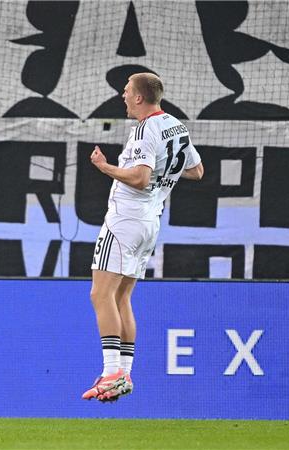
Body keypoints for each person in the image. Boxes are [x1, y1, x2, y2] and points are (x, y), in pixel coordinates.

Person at [82, 72, 204, 401]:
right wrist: (165, 177)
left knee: (100, 294)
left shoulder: (146, 128)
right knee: (121, 298)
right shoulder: (176, 125)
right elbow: (196, 170)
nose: (122, 97)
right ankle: (125, 374)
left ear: (139, 97)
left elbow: (138, 178)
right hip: (151, 222)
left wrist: (105, 167)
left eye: (126, 92)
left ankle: (111, 373)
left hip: (125, 221)